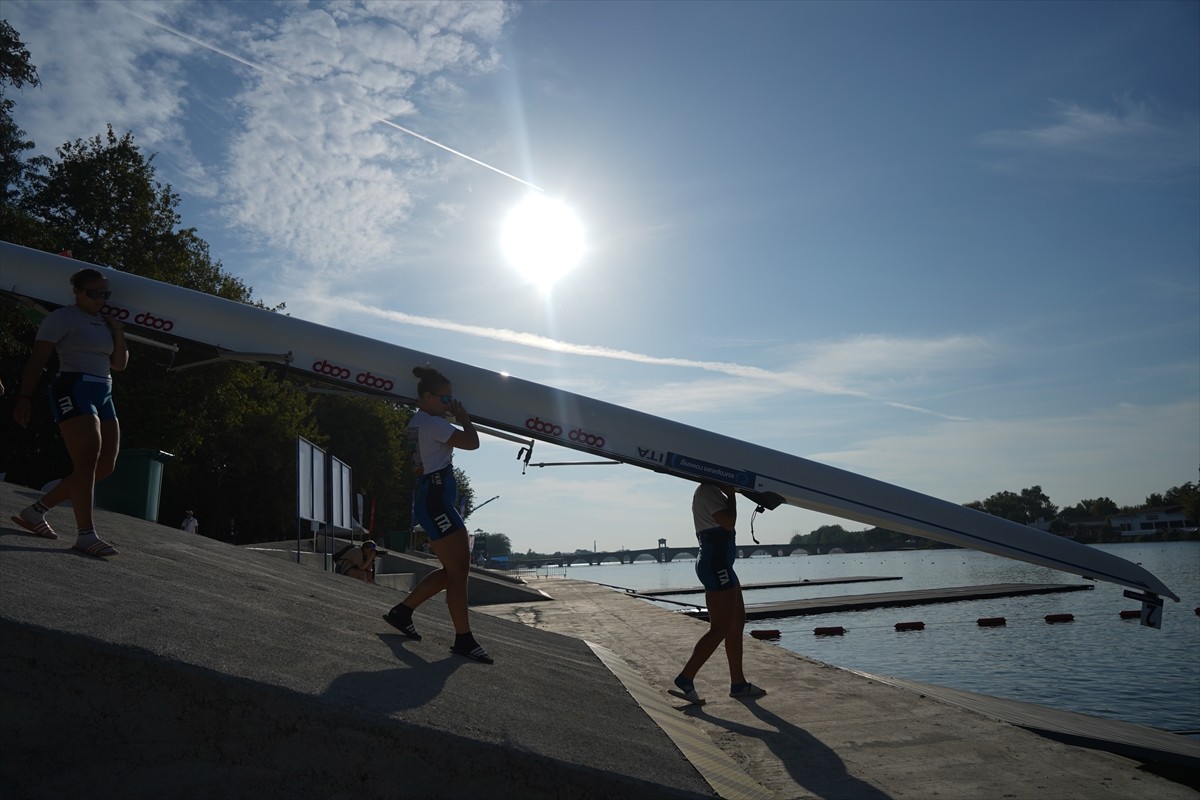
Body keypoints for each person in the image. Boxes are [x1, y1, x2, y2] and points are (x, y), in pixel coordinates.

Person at [10, 267, 128, 558]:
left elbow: (120, 365)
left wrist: (118, 331)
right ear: (77, 292)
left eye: (105, 293)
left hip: (105, 391)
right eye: (95, 293)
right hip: (73, 387)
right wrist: (24, 397)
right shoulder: (62, 318)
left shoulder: (105, 322)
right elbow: (38, 359)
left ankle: (35, 512)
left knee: (105, 467)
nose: (102, 298)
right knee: (87, 461)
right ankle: (86, 535)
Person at [383, 366, 493, 664]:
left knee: (454, 570)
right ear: (427, 397)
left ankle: (402, 612)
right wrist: (465, 419)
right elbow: (472, 443)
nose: (450, 405)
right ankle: (463, 639)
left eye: (452, 400)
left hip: (431, 498)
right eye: (446, 400)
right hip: (435, 501)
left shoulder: (419, 421)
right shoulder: (431, 423)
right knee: (459, 571)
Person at [668, 483, 767, 704]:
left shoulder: (709, 492)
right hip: (717, 564)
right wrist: (732, 496)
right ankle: (686, 677)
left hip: (721, 563)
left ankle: (738, 683)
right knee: (720, 627)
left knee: (737, 620)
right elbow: (729, 522)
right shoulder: (708, 491)